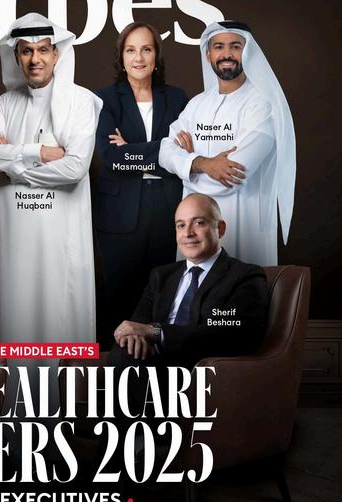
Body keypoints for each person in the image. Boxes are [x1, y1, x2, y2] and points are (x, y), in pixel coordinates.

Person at [0, 12, 102, 462]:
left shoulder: (81, 101)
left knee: (56, 323)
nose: (34, 59)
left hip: (59, 240)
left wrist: (14, 168)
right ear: (17, 57)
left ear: (57, 54)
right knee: (15, 323)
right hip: (13, 243)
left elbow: (75, 168)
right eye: (26, 51)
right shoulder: (6, 102)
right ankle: (13, 442)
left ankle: (57, 442)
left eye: (43, 50)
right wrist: (36, 152)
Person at [158, 20, 296, 265]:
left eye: (235, 46)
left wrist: (185, 169)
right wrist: (202, 164)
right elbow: (164, 151)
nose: (227, 54)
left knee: (242, 286)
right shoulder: (197, 104)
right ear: (208, 55)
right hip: (196, 234)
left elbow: (231, 179)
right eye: (219, 47)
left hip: (244, 230)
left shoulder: (262, 104)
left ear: (248, 52)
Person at [109, 193, 269, 392]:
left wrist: (157, 332)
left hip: (198, 371)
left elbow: (235, 334)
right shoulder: (161, 276)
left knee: (125, 364)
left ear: (220, 228)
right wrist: (133, 337)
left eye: (199, 223)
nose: (188, 233)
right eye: (181, 225)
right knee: (124, 352)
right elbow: (137, 325)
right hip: (150, 365)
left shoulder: (245, 275)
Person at [94, 22, 189, 345]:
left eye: (146, 49)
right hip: (119, 215)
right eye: (131, 50)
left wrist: (132, 149)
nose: (139, 57)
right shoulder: (104, 99)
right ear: (121, 57)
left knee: (162, 298)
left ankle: (158, 370)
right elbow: (112, 158)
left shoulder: (177, 98)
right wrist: (164, 151)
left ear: (156, 56)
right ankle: (115, 369)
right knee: (119, 299)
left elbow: (185, 157)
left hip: (166, 210)